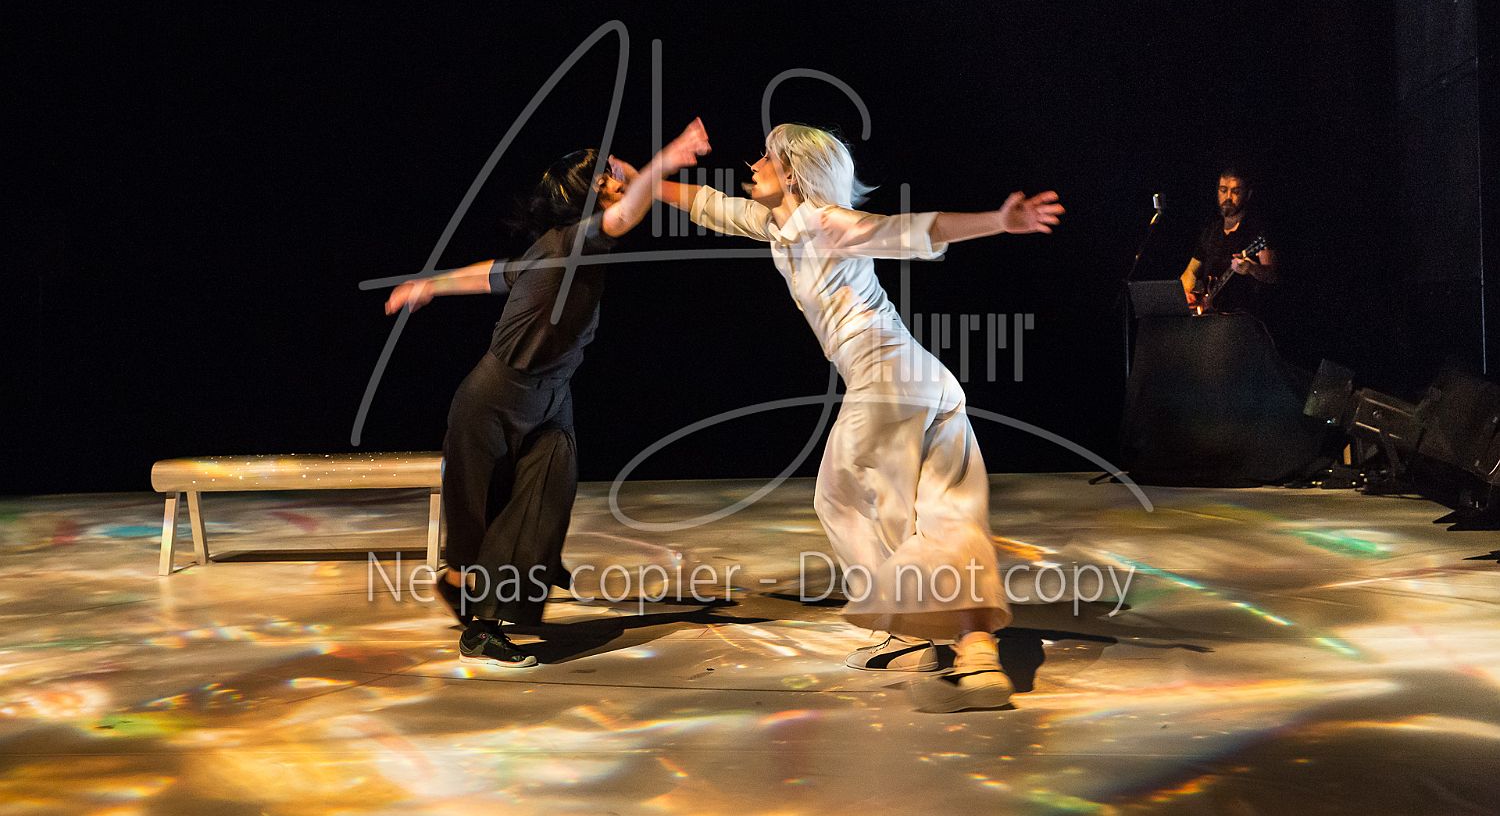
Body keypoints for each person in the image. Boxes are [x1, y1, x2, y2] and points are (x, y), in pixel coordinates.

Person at [647, 123, 1063, 711]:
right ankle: (977, 652)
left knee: (843, 500)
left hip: (887, 382)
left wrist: (997, 221)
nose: (752, 164)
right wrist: (640, 182)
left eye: (765, 157)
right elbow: (708, 205)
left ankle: (910, 625)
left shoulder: (827, 222)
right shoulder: (777, 225)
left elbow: (909, 231)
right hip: (929, 382)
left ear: (793, 172)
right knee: (946, 515)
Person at [385, 119, 710, 668]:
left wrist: (430, 285)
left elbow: (493, 272)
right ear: (589, 195)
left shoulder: (562, 248)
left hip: (552, 397)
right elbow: (624, 214)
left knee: (543, 497)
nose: (618, 182)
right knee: (476, 517)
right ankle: (476, 616)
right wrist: (670, 156)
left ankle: (486, 591)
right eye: (605, 178)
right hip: (494, 399)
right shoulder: (572, 241)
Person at [1179, 166, 1278, 315]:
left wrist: (1251, 268)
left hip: (1243, 317)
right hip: (1211, 316)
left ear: (1248, 194)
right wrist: (1184, 294)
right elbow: (1191, 271)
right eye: (1223, 190)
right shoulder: (1211, 231)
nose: (1228, 197)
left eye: (1235, 192)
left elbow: (1272, 275)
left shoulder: (1257, 230)